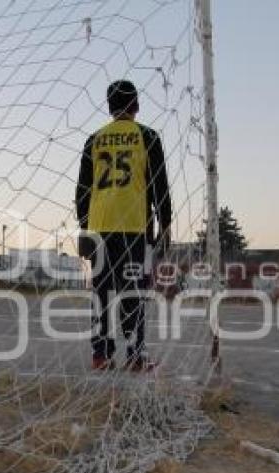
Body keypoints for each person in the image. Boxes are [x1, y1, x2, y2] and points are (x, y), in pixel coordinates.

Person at [75, 80, 171, 372]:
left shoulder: (95, 139)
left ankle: (101, 355)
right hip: (134, 229)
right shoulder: (148, 136)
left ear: (109, 106)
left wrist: (84, 227)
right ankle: (134, 356)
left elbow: (83, 190)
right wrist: (165, 227)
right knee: (132, 293)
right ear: (137, 105)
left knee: (101, 293)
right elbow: (160, 189)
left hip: (100, 228)